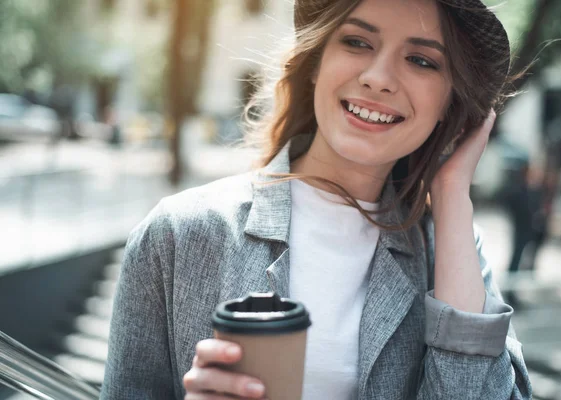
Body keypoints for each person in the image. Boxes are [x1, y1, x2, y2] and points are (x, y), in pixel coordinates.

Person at [101, 0, 532, 398]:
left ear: (448, 104)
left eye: (421, 60)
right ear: (315, 63)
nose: (377, 78)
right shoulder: (180, 232)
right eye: (357, 42)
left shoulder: (452, 252)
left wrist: (453, 194)